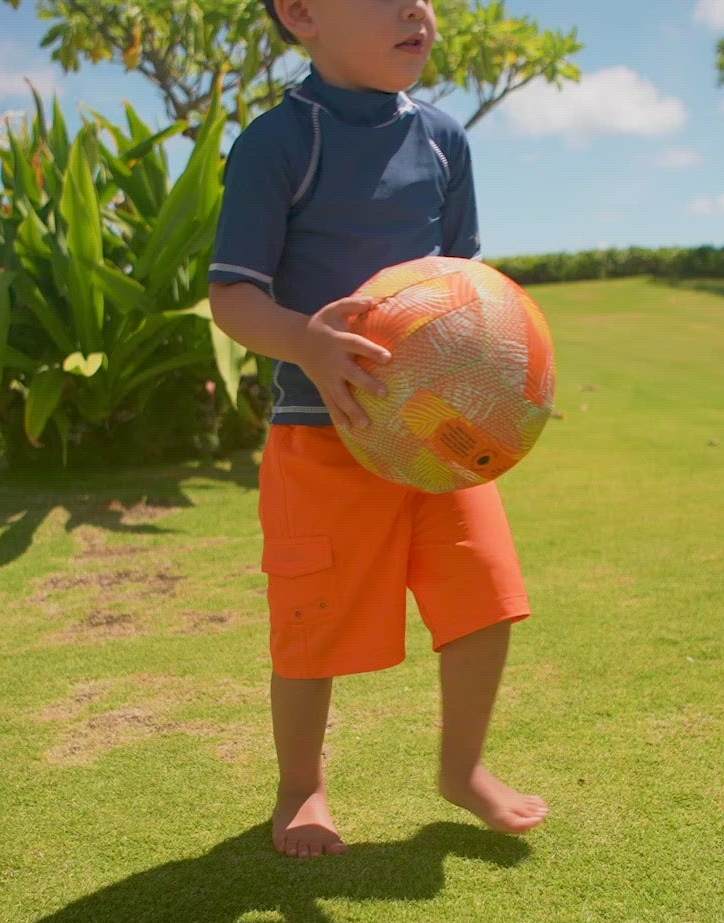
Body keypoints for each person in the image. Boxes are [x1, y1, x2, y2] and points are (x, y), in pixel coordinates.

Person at [208, 0, 549, 857]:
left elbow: (465, 286)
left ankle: (462, 769)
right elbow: (233, 295)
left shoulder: (444, 141)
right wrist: (306, 345)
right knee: (312, 619)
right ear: (301, 13)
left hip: (436, 438)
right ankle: (302, 787)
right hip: (323, 435)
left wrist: (503, 383)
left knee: (486, 598)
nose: (416, 10)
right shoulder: (277, 142)